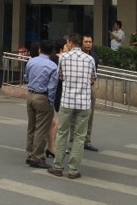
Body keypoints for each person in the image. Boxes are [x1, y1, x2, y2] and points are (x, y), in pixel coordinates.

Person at [48, 33, 96, 180]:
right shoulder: (90, 59)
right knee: (79, 137)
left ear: (69, 42)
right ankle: (73, 170)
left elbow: (60, 76)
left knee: (62, 133)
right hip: (84, 103)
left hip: (67, 101)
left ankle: (57, 167)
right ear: (81, 43)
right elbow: (93, 79)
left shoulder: (63, 58)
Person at [24, 40, 58, 169]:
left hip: (30, 94)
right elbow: (52, 87)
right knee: (42, 128)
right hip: (43, 97)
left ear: (39, 50)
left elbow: (26, 77)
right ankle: (37, 156)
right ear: (52, 52)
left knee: (31, 126)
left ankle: (29, 154)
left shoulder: (31, 61)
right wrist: (51, 101)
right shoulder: (53, 66)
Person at [46, 37, 68, 158]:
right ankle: (52, 146)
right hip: (58, 92)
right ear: (61, 48)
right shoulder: (59, 59)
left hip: (56, 92)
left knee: (56, 121)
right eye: (67, 45)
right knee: (57, 121)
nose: (69, 47)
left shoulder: (54, 58)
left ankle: (53, 146)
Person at [81, 35, 100, 152]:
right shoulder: (77, 55)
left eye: (90, 42)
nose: (88, 44)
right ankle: (73, 140)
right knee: (76, 115)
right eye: (86, 42)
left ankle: (87, 141)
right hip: (79, 87)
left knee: (90, 114)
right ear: (81, 43)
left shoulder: (94, 56)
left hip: (90, 86)